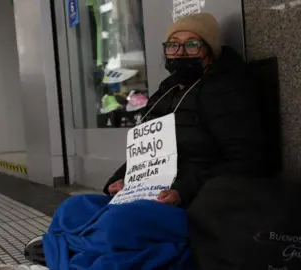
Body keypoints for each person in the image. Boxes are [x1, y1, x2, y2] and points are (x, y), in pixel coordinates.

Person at [25, 13, 270, 269]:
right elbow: (144, 150)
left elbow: (246, 159)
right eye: (173, 44)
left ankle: (66, 248)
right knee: (73, 207)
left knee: (120, 223)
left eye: (192, 44)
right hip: (149, 192)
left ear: (209, 51)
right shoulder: (168, 89)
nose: (180, 52)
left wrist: (181, 192)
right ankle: (72, 247)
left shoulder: (226, 89)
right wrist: (119, 181)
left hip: (193, 202)